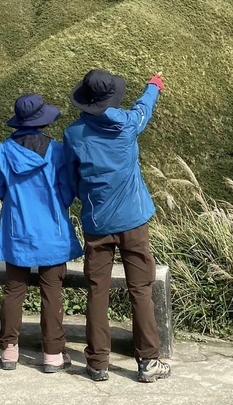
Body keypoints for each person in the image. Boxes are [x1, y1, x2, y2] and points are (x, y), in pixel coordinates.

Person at [64, 69, 171, 384]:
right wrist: (154, 85)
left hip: (97, 223)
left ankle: (98, 363)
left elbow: (70, 182)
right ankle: (149, 362)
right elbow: (144, 107)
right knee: (141, 290)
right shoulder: (127, 125)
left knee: (98, 291)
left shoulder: (73, 135)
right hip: (134, 220)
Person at [0, 93, 83, 372]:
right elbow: (68, 192)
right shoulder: (56, 151)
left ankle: (8, 350)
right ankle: (53, 354)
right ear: (42, 120)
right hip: (52, 231)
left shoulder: (2, 152)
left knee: (14, 289)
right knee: (52, 289)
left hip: (17, 229)